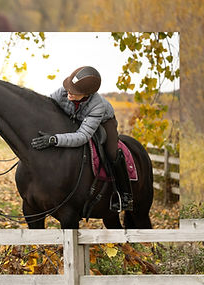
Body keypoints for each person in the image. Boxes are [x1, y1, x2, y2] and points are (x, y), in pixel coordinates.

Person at [30, 66, 132, 213]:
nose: (69, 93)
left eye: (74, 92)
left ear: (87, 94)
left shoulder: (97, 106)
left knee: (112, 152)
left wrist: (54, 139)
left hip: (104, 122)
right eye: (69, 88)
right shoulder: (64, 91)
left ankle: (126, 196)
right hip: (75, 118)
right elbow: (47, 108)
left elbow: (83, 136)